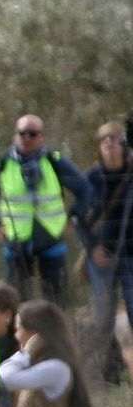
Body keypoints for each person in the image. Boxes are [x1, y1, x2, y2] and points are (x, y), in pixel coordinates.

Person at [0, 113, 92, 302]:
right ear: (15, 136)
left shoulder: (55, 162)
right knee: (16, 300)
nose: (27, 138)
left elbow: (85, 190)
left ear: (42, 137)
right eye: (22, 133)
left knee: (56, 299)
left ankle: (56, 332)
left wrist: (74, 217)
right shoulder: (3, 164)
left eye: (33, 134)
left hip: (50, 238)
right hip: (16, 240)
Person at [83, 120, 131, 385]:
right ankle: (111, 372)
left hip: (131, 254)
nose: (111, 146)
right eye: (105, 142)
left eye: (116, 140)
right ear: (99, 147)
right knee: (103, 316)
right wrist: (92, 248)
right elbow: (78, 218)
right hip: (102, 256)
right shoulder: (91, 178)